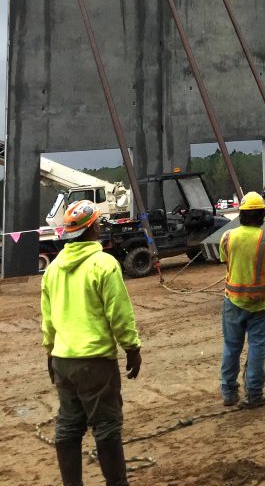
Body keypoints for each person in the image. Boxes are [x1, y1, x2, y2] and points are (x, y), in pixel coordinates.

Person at [40, 199, 142, 486]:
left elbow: (48, 319)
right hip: (95, 361)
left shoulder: (53, 269)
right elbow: (119, 314)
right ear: (93, 227)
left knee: (68, 428)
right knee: (107, 428)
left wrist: (50, 351)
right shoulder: (104, 264)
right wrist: (132, 349)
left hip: (63, 360)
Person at [219, 190, 265, 408]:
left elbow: (224, 259)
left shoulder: (227, 237)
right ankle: (254, 394)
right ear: (262, 215)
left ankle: (229, 393)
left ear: (241, 214)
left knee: (231, 347)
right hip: (261, 304)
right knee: (257, 348)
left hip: (234, 302)